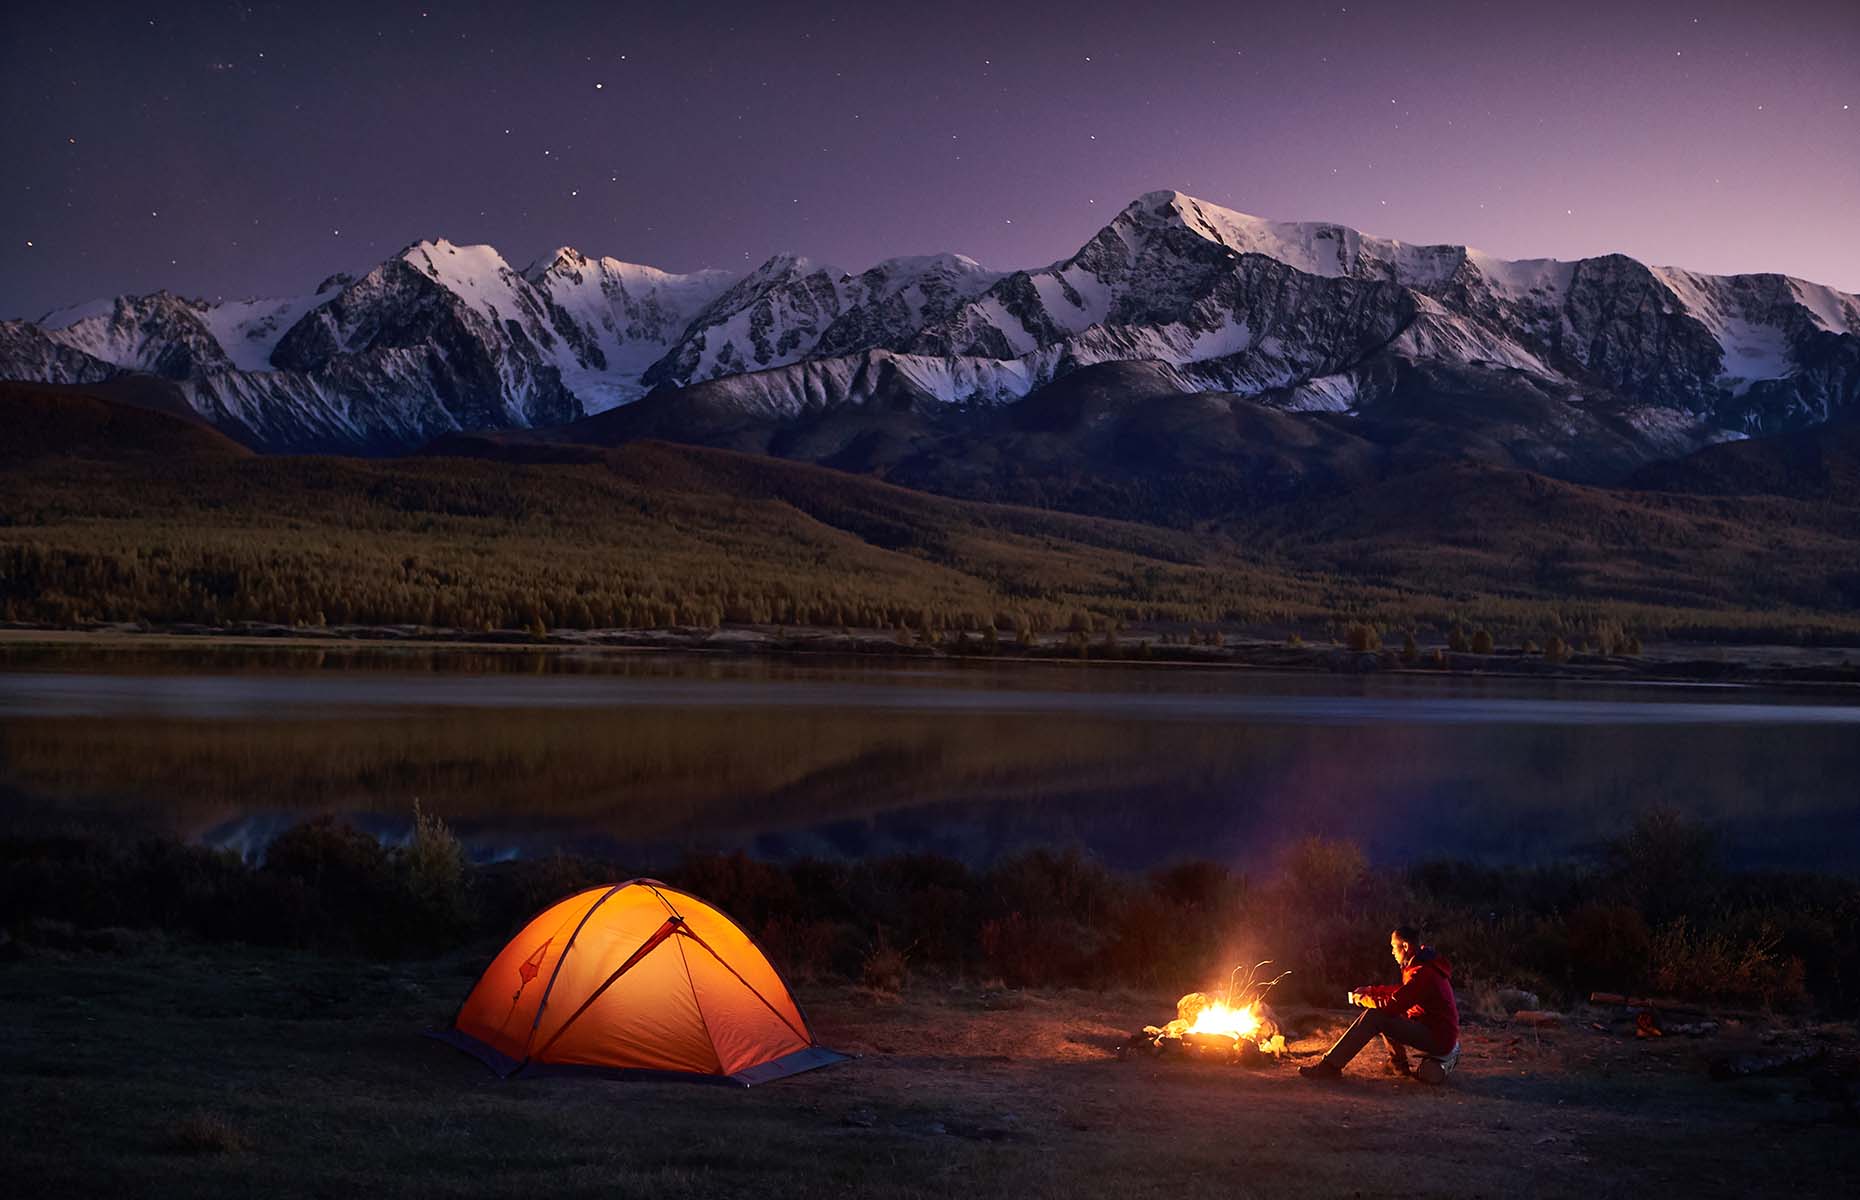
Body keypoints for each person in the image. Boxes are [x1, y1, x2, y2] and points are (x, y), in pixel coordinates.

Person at [1298, 925, 1459, 1083]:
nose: (1392, 952)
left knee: (1376, 1016)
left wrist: (1363, 999)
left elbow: (1393, 1005)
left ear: (1405, 946)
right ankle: (1397, 1065)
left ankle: (1330, 1067)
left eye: (1393, 947)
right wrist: (1370, 991)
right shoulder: (1421, 965)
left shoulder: (1423, 972)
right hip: (1438, 1032)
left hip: (1438, 1039)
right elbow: (1402, 992)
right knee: (1388, 1013)